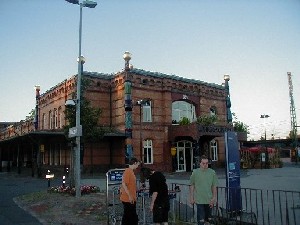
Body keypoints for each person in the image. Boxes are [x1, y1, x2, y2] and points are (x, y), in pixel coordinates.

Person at [189, 155, 218, 225]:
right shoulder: (195, 172)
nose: (205, 165)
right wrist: (191, 197)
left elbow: (214, 186)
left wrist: (214, 198)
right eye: (203, 163)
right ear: (200, 163)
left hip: (209, 200)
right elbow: (192, 185)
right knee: (201, 221)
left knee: (208, 221)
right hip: (199, 200)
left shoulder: (212, 172)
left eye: (207, 163)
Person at [120, 157, 141, 225]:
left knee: (129, 216)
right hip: (128, 198)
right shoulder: (128, 171)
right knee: (130, 217)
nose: (138, 166)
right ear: (134, 163)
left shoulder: (130, 171)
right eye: (137, 164)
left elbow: (129, 184)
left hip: (130, 198)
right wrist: (130, 196)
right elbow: (124, 184)